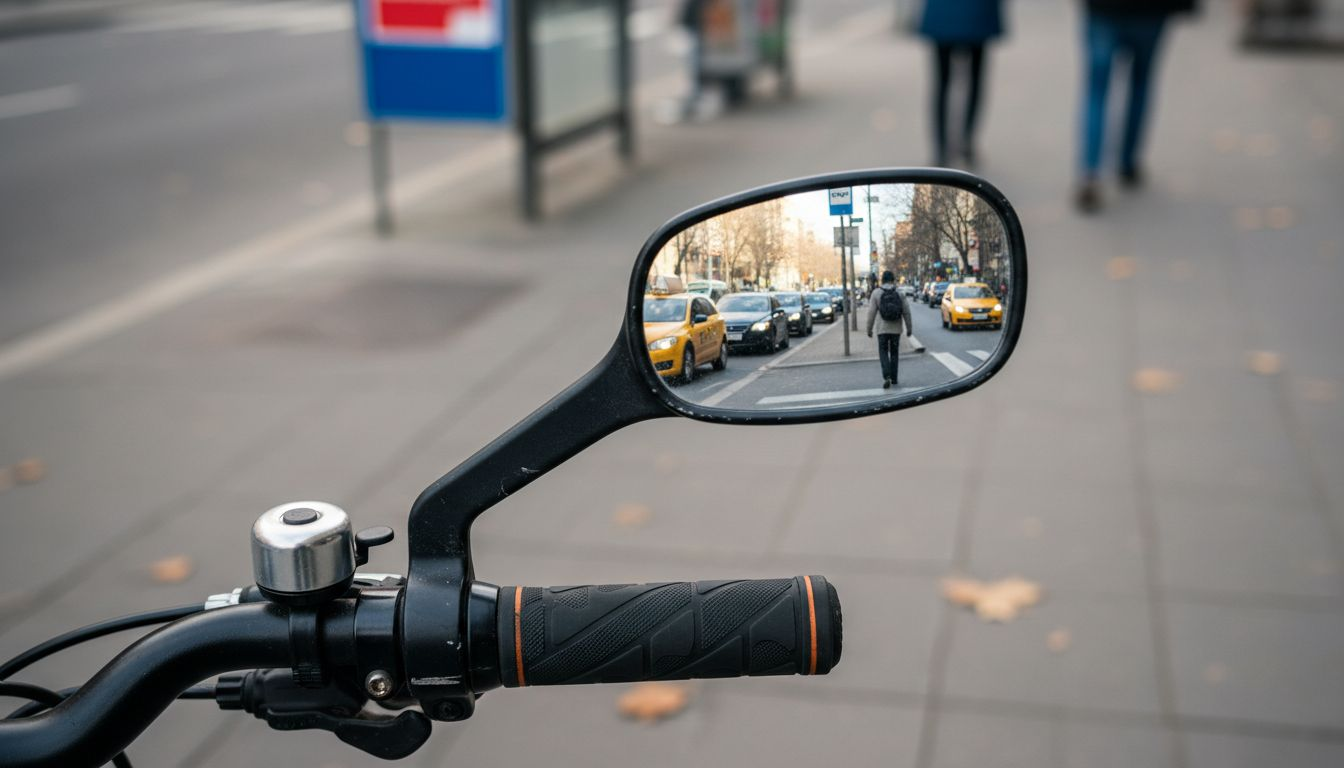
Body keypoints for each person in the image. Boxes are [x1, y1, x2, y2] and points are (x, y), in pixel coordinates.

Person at [1075, 0, 1198, 212]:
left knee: (1097, 88)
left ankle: (1090, 171)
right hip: (1150, 12)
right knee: (1140, 81)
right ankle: (1127, 163)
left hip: (1104, 10)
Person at [917, 0, 1005, 167]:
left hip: (942, 11)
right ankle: (966, 140)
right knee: (975, 79)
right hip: (978, 11)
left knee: (941, 82)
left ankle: (941, 148)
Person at [867, 270, 913, 389]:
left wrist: (869, 329)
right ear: (893, 280)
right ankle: (894, 378)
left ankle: (886, 375)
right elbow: (906, 312)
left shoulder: (876, 293)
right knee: (894, 352)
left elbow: (871, 313)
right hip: (896, 329)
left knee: (883, 352)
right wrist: (909, 328)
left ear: (882, 280)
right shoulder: (899, 293)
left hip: (882, 330)